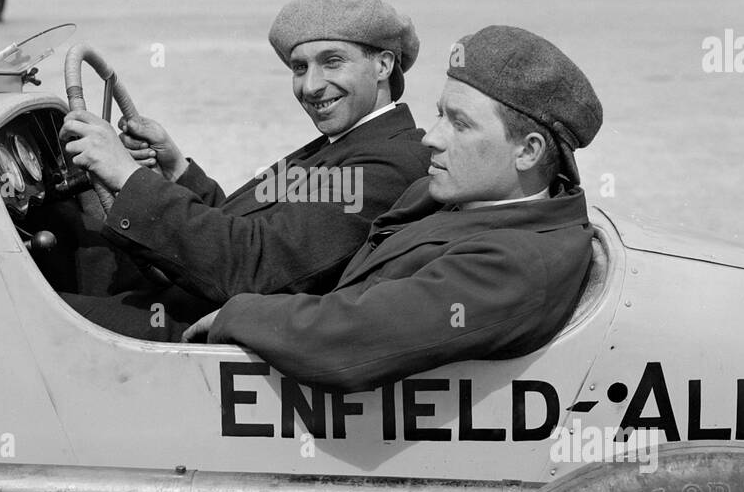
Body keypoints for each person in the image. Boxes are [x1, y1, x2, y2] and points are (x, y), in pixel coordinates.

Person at [184, 25, 603, 393]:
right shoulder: (447, 196)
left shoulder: (517, 263)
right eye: (440, 115)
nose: (431, 139)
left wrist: (237, 314)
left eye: (460, 124)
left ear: (528, 152)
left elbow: (356, 337)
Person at [58, 0, 431, 340]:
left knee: (14, 317)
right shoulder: (349, 142)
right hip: (195, 303)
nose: (312, 86)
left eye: (332, 62)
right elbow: (253, 227)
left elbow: (257, 266)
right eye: (300, 68)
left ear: (383, 65)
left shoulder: (391, 163)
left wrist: (128, 174)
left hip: (204, 332)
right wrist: (177, 173)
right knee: (69, 232)